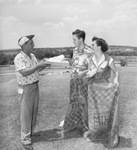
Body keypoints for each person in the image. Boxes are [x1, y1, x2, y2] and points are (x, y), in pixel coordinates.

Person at [14, 35, 50, 150]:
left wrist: (43, 65)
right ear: (24, 45)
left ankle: (31, 133)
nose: (33, 45)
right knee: (26, 114)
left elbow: (37, 69)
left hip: (35, 86)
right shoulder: (19, 58)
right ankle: (25, 139)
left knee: (34, 112)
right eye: (31, 43)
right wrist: (38, 65)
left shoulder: (32, 56)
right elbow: (24, 72)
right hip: (25, 88)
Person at [84, 36, 119, 148]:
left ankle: (108, 132)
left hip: (104, 89)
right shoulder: (90, 59)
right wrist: (90, 73)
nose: (91, 46)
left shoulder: (108, 59)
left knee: (106, 111)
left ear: (99, 46)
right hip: (93, 89)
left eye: (93, 44)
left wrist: (116, 79)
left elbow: (116, 72)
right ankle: (95, 133)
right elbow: (88, 73)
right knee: (94, 112)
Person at [60, 29, 93, 137]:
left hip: (83, 82)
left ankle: (85, 127)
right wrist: (68, 61)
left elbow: (93, 68)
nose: (73, 41)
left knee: (84, 103)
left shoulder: (90, 51)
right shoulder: (74, 51)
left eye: (74, 39)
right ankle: (73, 124)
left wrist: (83, 73)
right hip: (73, 81)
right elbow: (74, 64)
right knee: (74, 102)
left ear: (81, 39)